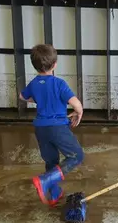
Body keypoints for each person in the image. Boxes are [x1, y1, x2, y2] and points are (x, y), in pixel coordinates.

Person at [23, 44, 84, 207]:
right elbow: (76, 103)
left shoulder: (34, 83)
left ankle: (53, 193)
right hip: (57, 127)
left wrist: (36, 98)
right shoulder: (59, 83)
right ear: (55, 64)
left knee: (51, 161)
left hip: (40, 129)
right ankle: (45, 180)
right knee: (76, 155)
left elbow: (23, 97)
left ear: (34, 65)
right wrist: (79, 112)